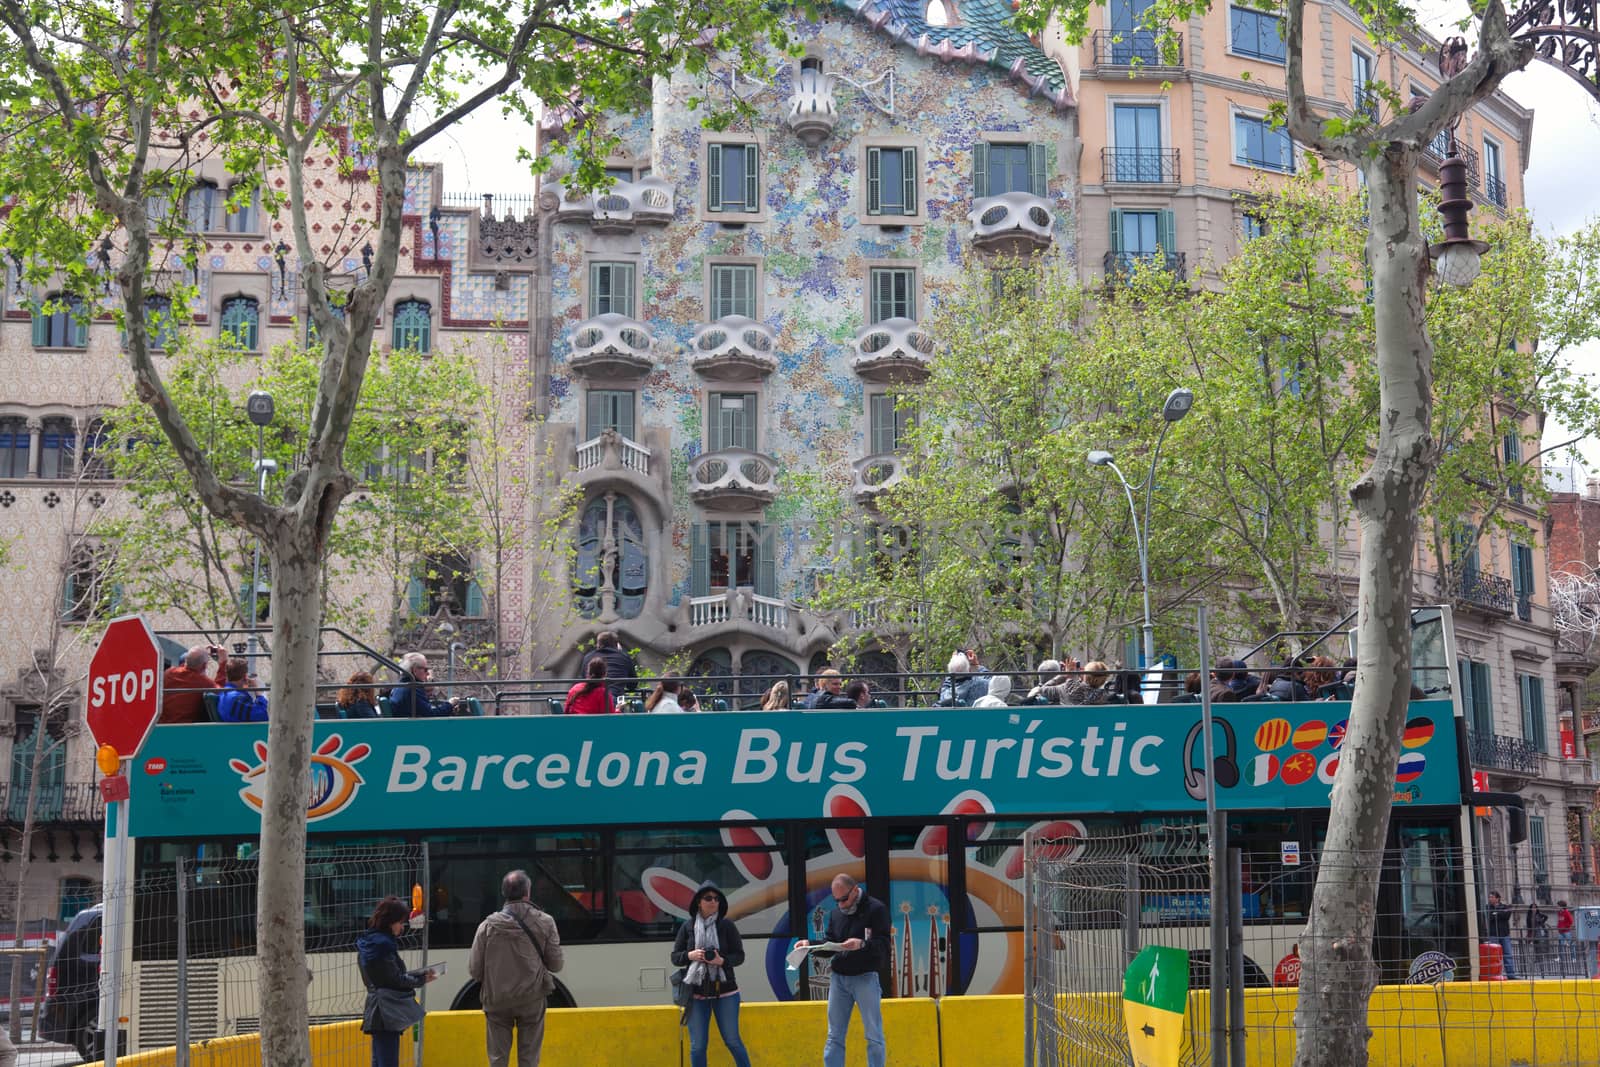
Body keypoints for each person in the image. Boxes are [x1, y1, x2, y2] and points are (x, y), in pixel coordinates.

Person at [469, 869, 564, 1067]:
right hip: (532, 1000)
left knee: (497, 1059)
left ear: (504, 893)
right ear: (527, 892)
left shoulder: (486, 926)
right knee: (529, 1059)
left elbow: (474, 970)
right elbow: (556, 965)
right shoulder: (545, 922)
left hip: (497, 1001)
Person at [796, 874, 890, 1067]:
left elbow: (885, 945)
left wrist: (862, 944)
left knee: (874, 1036)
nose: (840, 904)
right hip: (839, 979)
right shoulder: (836, 914)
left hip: (865, 977)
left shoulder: (876, 909)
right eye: (836, 900)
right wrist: (809, 946)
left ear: (855, 890)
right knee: (834, 1035)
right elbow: (830, 944)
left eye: (844, 899)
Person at [671, 881, 752, 1067]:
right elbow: (675, 957)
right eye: (708, 898)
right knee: (698, 1046)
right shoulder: (688, 927)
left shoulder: (727, 926)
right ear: (699, 902)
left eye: (717, 899)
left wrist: (721, 961)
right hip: (696, 994)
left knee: (732, 1041)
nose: (713, 902)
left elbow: (739, 956)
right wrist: (690, 955)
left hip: (726, 992)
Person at [357, 896, 436, 1067]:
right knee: (388, 1061)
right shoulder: (384, 945)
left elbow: (383, 976)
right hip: (387, 1010)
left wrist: (417, 976)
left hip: (375, 1006)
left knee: (378, 1060)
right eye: (400, 922)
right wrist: (421, 979)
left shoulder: (367, 942)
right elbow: (395, 979)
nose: (402, 927)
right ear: (390, 921)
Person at [160, 644, 229, 724]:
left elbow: (187, 667)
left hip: (161, 726)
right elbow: (220, 692)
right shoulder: (202, 681)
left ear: (186, 660)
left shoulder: (169, 673)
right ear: (204, 666)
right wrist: (223, 663)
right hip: (186, 729)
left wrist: (201, 653)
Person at [389, 653, 456, 718]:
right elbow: (432, 715)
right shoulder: (412, 689)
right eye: (425, 669)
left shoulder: (401, 686)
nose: (427, 673)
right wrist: (450, 704)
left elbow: (425, 711)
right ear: (415, 670)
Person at [580, 630, 639, 699]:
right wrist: (620, 652)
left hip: (592, 700)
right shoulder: (624, 657)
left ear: (598, 644)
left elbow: (584, 680)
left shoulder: (588, 657)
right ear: (616, 644)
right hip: (615, 699)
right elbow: (632, 685)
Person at [1486, 891, 1517, 979]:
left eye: (1492, 897)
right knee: (1494, 956)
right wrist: (1499, 913)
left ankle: (1511, 975)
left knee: (1508, 954)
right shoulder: (1488, 907)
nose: (1490, 899)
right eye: (1489, 897)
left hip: (1504, 934)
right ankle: (1496, 975)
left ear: (1497, 898)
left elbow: (1506, 915)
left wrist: (1496, 913)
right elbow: (1490, 917)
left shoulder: (1504, 907)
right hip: (1493, 934)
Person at [1557, 899, 1575, 971]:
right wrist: (1559, 927)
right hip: (1561, 931)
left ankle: (1573, 958)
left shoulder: (1566, 912)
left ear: (1561, 906)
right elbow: (1559, 920)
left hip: (1566, 931)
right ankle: (1560, 957)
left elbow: (1571, 921)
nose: (1557, 907)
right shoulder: (1559, 913)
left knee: (1571, 944)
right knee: (1560, 945)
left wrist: (1565, 926)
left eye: (1558, 906)